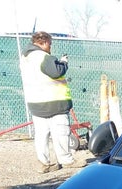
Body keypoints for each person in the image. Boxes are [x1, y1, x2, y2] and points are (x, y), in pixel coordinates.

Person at [20, 31, 83, 172]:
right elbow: (56, 72)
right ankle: (66, 160)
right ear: (44, 42)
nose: (50, 47)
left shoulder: (25, 57)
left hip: (35, 103)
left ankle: (44, 163)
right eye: (50, 44)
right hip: (54, 103)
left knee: (41, 135)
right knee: (61, 132)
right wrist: (63, 62)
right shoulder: (43, 57)